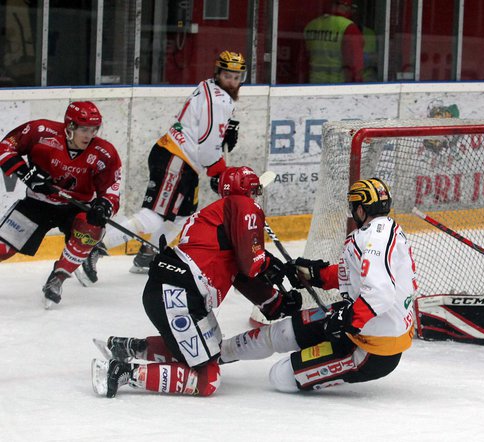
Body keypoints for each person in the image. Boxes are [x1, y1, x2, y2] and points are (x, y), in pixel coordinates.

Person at [91, 166, 299, 398]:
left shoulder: (220, 216)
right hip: (179, 294)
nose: (257, 197)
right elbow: (251, 264)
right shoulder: (243, 205)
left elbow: (240, 272)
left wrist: (272, 301)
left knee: (211, 349)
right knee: (207, 380)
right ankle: (123, 372)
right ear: (249, 190)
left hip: (176, 290)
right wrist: (269, 266)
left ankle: (126, 347)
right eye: (255, 191)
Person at [220, 178, 417, 392]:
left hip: (373, 349)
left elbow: (380, 294)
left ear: (360, 209)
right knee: (283, 332)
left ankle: (328, 348)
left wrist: (346, 320)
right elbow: (354, 276)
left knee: (281, 376)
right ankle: (219, 352)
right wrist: (316, 275)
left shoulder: (374, 241)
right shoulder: (383, 231)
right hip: (363, 324)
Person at [76, 50, 247, 284]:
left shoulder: (209, 88)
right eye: (228, 76)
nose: (233, 82)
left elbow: (204, 133)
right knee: (154, 216)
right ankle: (92, 249)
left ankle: (148, 255)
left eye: (237, 78)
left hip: (184, 161)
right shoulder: (219, 99)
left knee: (181, 217)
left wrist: (223, 138)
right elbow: (207, 143)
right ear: (217, 73)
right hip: (176, 159)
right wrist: (218, 171)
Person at [0, 101, 121, 308]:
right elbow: (5, 147)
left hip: (75, 208)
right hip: (37, 203)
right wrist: (25, 173)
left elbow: (111, 190)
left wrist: (103, 207)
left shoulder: (104, 153)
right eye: (84, 129)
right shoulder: (40, 132)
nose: (89, 135)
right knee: (3, 248)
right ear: (70, 126)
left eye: (94, 129)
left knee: (91, 228)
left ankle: (57, 279)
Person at [303, 0, 364, 83]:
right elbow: (355, 63)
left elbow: (303, 60)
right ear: (343, 6)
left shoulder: (311, 25)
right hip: (338, 85)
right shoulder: (348, 27)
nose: (351, 11)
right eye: (351, 7)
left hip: (313, 83)